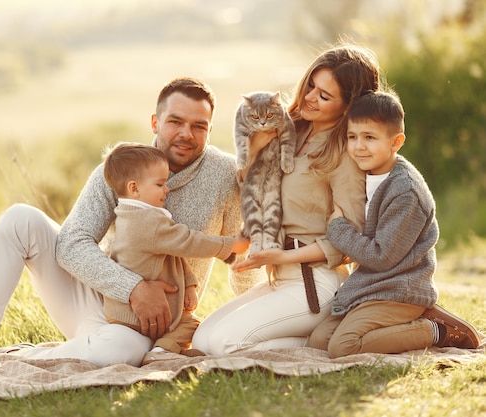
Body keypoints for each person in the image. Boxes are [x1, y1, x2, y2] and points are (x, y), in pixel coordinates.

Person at [0, 77, 263, 373]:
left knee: (118, 353)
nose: (186, 133)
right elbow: (71, 243)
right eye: (175, 122)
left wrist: (252, 325)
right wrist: (132, 288)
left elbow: (240, 258)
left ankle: (9, 358)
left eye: (198, 126)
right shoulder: (122, 167)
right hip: (95, 302)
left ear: (210, 129)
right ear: (155, 122)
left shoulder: (226, 175)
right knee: (20, 219)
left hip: (152, 327)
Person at [191, 44, 378, 355]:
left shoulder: (345, 155)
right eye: (310, 86)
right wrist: (252, 153)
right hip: (279, 280)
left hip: (316, 285)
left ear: (348, 108)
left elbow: (352, 242)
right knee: (202, 340)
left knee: (224, 343)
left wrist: (282, 257)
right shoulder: (288, 129)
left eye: (324, 96)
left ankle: (322, 341)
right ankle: (315, 338)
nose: (309, 98)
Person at [307, 91, 481, 357]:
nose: (359, 146)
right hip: (372, 286)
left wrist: (338, 228)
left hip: (401, 290)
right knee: (320, 340)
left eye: (370, 137)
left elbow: (382, 256)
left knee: (343, 346)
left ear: (396, 142)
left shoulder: (406, 192)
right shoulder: (363, 173)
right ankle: (405, 327)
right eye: (352, 137)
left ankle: (434, 328)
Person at [101, 142, 248, 364]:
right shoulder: (146, 221)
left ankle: (164, 349)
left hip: (125, 310)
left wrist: (189, 284)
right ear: (134, 188)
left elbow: (172, 254)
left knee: (187, 322)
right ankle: (161, 354)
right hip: (134, 314)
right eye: (160, 184)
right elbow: (188, 242)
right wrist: (230, 245)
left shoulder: (133, 215)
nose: (166, 188)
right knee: (191, 324)